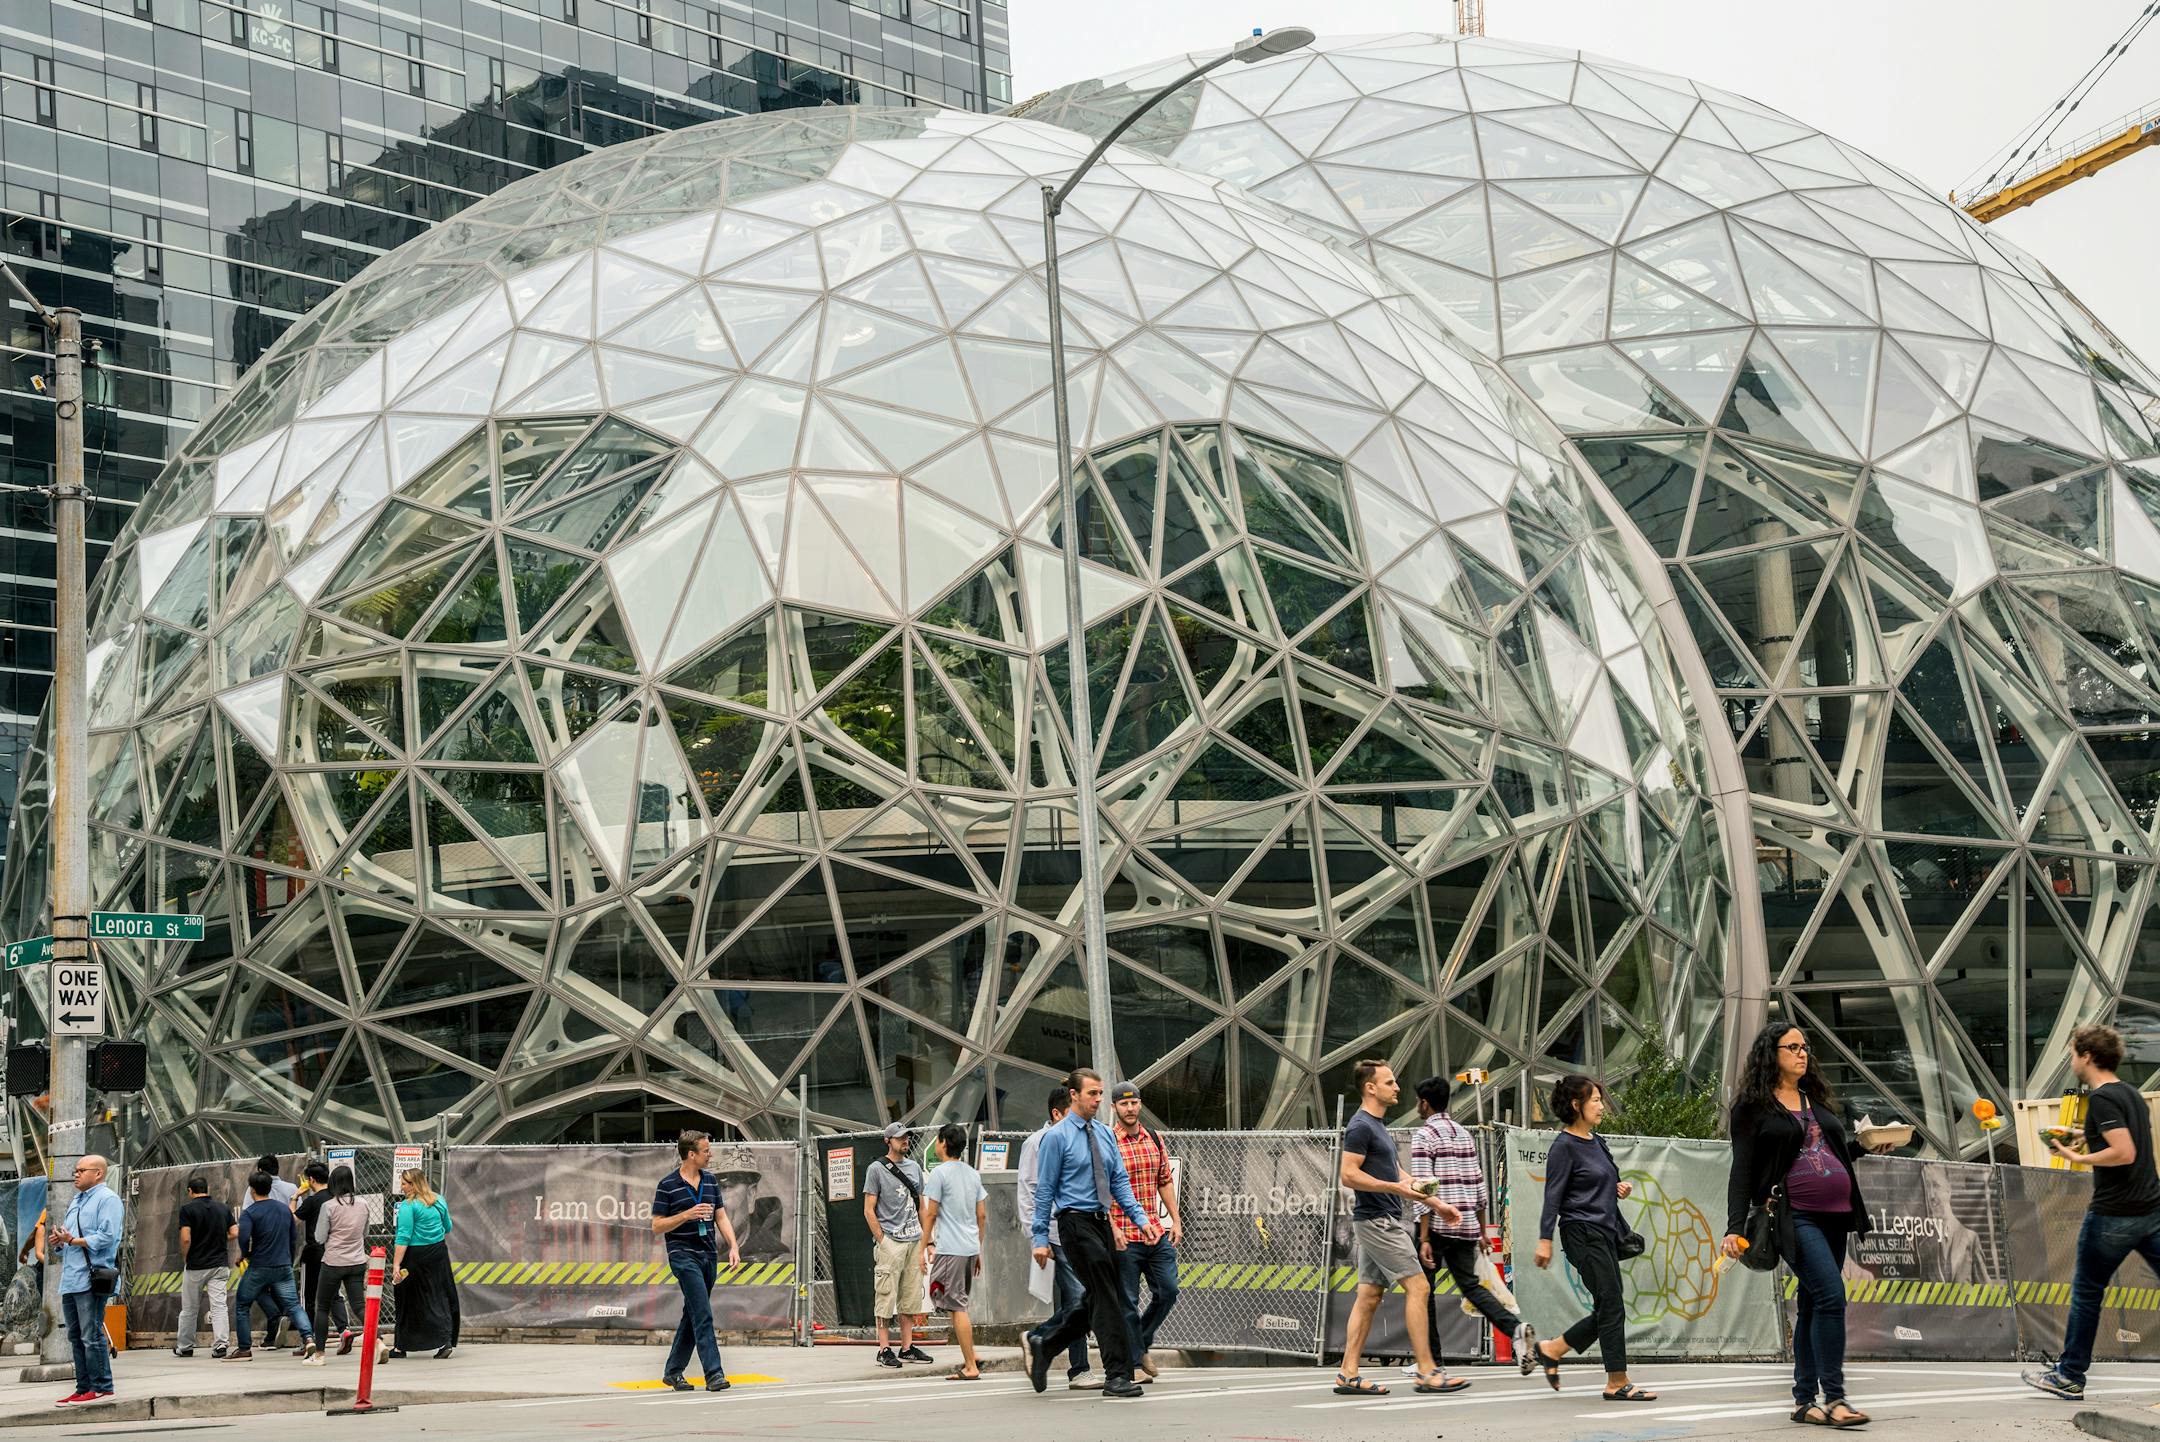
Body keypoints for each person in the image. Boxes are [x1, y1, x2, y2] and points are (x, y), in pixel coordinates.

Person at [1720, 1024, 1877, 1427]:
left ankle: (1804, 1400)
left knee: (1812, 1304)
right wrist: (1733, 1228)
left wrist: (1865, 1145)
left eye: (1805, 1047)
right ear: (1770, 1054)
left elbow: (1828, 1153)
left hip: (1837, 1216)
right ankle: (1836, 1399)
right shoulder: (1752, 1108)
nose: (1802, 1053)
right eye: (1792, 1047)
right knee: (1830, 1296)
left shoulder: (1815, 1100)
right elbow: (1742, 1171)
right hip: (1795, 1217)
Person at [2025, 1024, 2160, 1402]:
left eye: (2072, 1053)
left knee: (2086, 1293)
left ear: (2087, 1056)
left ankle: (2069, 1375)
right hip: (2152, 1209)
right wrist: (2088, 1136)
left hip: (2114, 1214)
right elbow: (2128, 1139)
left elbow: (2125, 1152)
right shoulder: (2130, 1094)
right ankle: (2068, 1373)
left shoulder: (2100, 1100)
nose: (2071, 1060)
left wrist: (2077, 1156)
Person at [1335, 1059, 1466, 1398]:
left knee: (1369, 1296)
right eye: (1390, 1082)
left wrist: (1438, 1204)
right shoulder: (1361, 1126)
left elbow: (1400, 1177)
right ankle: (1427, 1371)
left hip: (1379, 1219)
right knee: (1419, 1288)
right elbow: (1348, 1175)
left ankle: (1348, 1373)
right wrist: (1396, 1189)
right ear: (1371, 1088)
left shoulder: (1379, 1126)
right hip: (1378, 1221)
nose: (1397, 1088)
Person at [1026, 1067, 1159, 1401]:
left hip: (1102, 1221)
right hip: (1074, 1223)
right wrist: (1040, 1239)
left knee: (1098, 1296)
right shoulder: (1056, 1138)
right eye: (1092, 1094)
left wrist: (1140, 1218)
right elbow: (1044, 1191)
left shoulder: (1103, 1134)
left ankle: (1045, 1342)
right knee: (1107, 1297)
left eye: (1101, 1094)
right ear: (1074, 1095)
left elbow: (1118, 1183)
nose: (1098, 1100)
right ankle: (1117, 1374)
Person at [1527, 1075, 1654, 1403]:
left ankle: (1552, 1349)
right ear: (1576, 1105)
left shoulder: (1596, 1142)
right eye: (1595, 1100)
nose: (1601, 1105)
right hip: (1581, 1233)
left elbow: (1595, 1182)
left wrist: (1616, 1188)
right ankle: (1617, 1380)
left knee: (1609, 1305)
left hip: (1604, 1231)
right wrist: (1544, 1238)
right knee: (1611, 1303)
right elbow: (1553, 1196)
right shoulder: (1563, 1146)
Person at [1409, 1075, 1530, 1361]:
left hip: (1436, 1226)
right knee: (1472, 1288)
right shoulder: (1464, 1134)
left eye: (1418, 1102)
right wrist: (1482, 1230)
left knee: (1422, 1291)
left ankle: (1431, 1361)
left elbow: (1424, 1186)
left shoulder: (1424, 1136)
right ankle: (1516, 1329)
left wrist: (1425, 1237)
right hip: (1465, 1224)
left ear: (1424, 1104)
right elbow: (1479, 1185)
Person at [1017, 1086, 1097, 1390]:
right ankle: (1069, 1359)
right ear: (1057, 1113)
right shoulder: (1036, 1143)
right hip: (1053, 1232)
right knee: (1079, 1297)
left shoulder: (1081, 1137)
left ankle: (1054, 1351)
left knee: (1079, 1298)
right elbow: (1028, 1192)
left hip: (1078, 1232)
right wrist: (1037, 1237)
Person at [650, 1130, 741, 1393]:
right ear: (691, 1154)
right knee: (702, 1313)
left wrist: (733, 1246)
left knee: (692, 1313)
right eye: (706, 1151)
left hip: (708, 1254)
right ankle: (714, 1373)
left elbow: (721, 1217)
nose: (710, 1155)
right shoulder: (667, 1185)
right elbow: (657, 1225)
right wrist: (687, 1214)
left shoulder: (711, 1181)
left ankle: (673, 1371)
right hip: (683, 1255)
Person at [1109, 1080, 1182, 1381]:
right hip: (1125, 1235)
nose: (1130, 1108)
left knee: (1168, 1290)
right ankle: (1135, 1364)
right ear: (1114, 1107)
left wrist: (1175, 1220)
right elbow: (1101, 1191)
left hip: (1153, 1231)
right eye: (1123, 1104)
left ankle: (1140, 1344)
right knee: (1127, 1301)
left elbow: (1164, 1179)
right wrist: (1112, 1227)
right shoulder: (1109, 1141)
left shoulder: (1154, 1137)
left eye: (1134, 1102)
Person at [49, 1155, 122, 1407]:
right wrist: (60, 1242)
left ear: (98, 1173)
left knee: (91, 1334)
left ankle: (102, 1386)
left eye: (82, 1170)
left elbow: (107, 1237)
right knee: (75, 1335)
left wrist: (73, 1241)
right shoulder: (77, 1201)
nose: (76, 1174)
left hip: (92, 1279)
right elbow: (71, 1241)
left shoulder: (108, 1199)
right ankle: (83, 1388)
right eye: (75, 1170)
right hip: (71, 1278)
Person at [863, 1122, 932, 1369]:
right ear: (888, 1141)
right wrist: (883, 1239)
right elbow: (869, 1209)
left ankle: (906, 1347)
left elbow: (921, 1207)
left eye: (907, 1138)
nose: (905, 1141)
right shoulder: (876, 1169)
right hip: (891, 1240)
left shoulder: (914, 1168)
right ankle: (884, 1349)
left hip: (914, 1239)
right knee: (885, 1295)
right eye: (900, 1138)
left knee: (910, 1297)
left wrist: (928, 1240)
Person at [922, 1124, 988, 1382]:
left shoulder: (940, 1174)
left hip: (950, 1248)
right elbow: (981, 1214)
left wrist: (924, 1245)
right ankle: (971, 1353)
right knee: (957, 1303)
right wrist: (978, 1247)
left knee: (954, 1303)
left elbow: (931, 1212)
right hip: (970, 1247)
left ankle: (970, 1365)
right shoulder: (973, 1174)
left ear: (943, 1143)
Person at [229, 1170, 315, 1362]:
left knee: (243, 1304)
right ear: (269, 1188)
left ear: (252, 1190)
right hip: (283, 1265)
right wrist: (288, 1258)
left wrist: (245, 1254)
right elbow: (293, 1236)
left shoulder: (249, 1213)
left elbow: (244, 1237)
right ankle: (308, 1338)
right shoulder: (284, 1209)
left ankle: (244, 1349)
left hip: (259, 1265)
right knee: (293, 1305)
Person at [380, 1169, 458, 1362]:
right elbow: (448, 1227)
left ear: (414, 1184)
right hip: (438, 1253)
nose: (402, 1186)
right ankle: (445, 1340)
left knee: (408, 1299)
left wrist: (396, 1265)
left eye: (405, 1183)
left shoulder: (408, 1206)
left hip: (415, 1256)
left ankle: (401, 1346)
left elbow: (403, 1237)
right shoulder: (439, 1200)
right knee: (438, 1295)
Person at [305, 1165, 370, 1364]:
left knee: (322, 1307)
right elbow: (365, 1233)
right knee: (360, 1306)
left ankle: (320, 1355)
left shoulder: (330, 1206)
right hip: (357, 1261)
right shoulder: (363, 1203)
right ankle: (377, 1341)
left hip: (333, 1262)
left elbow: (319, 1236)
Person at [174, 1175, 236, 1358]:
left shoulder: (187, 1209)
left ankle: (185, 1346)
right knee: (219, 1306)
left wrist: (186, 1256)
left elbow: (185, 1238)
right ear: (207, 1189)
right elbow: (234, 1232)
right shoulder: (222, 1208)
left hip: (196, 1265)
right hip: (219, 1264)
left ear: (190, 1191)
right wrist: (217, 1240)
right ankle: (221, 1345)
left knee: (190, 1308)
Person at [293, 1162, 331, 1356]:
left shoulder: (312, 1201)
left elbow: (294, 1219)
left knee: (308, 1297)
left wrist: (295, 1196)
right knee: (330, 1297)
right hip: (332, 1252)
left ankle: (308, 1339)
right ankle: (342, 1330)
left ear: (311, 1180)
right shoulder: (334, 1198)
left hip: (313, 1252)